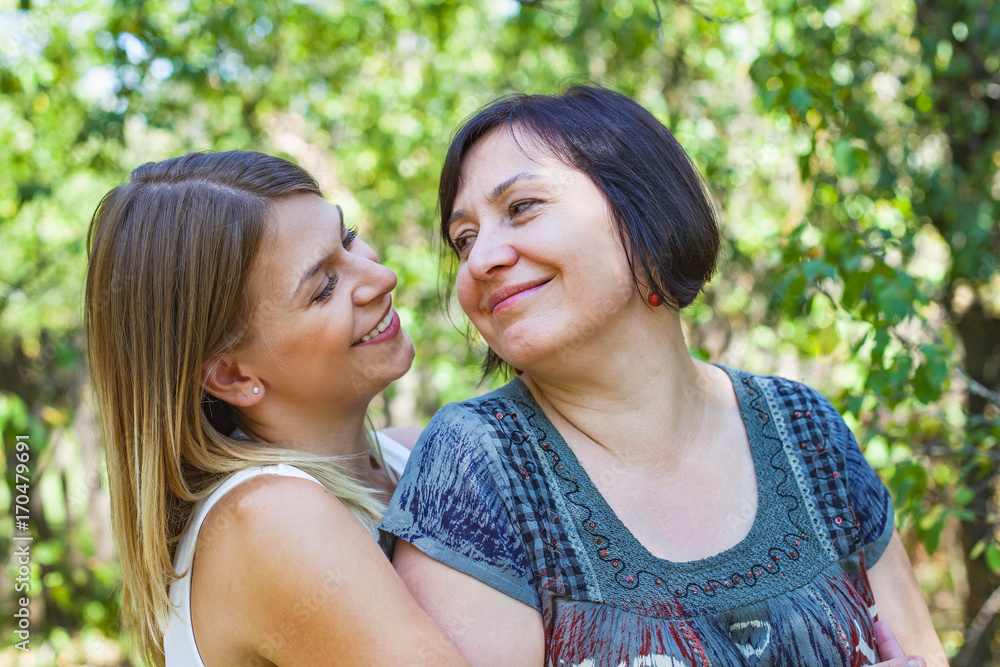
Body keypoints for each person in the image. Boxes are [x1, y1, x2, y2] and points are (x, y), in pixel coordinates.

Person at [380, 87, 949, 666]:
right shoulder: (478, 463)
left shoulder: (807, 430)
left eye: (522, 207)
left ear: (645, 209)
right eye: (464, 239)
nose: (480, 261)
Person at [84, 151, 466, 666]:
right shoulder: (267, 518)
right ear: (233, 376)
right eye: (324, 288)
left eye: (348, 237)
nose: (382, 276)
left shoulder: (410, 454)